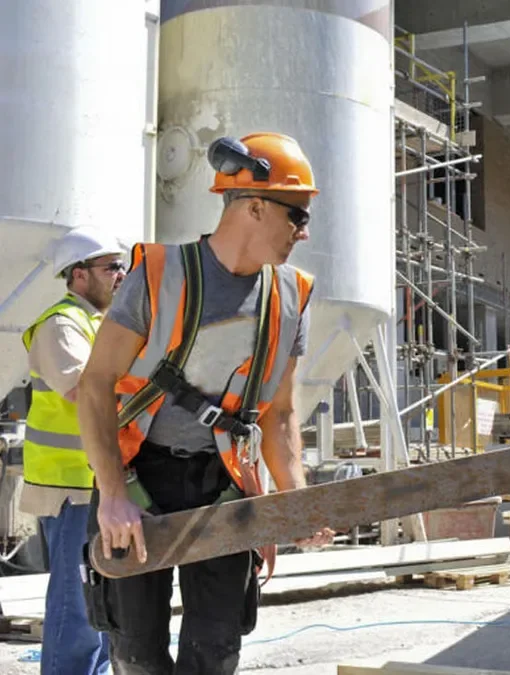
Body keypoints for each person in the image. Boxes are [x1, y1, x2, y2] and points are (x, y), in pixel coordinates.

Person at [75, 132, 335, 674]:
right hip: (142, 480)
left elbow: (280, 413)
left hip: (223, 484)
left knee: (214, 654)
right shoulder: (156, 274)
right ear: (255, 206)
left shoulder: (292, 295)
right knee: (137, 653)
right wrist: (113, 495)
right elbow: (97, 383)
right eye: (297, 216)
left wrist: (295, 502)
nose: (304, 233)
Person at [20, 226, 127, 674]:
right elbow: (86, 392)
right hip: (71, 489)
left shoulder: (104, 324)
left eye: (123, 266)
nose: (121, 275)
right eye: (110, 268)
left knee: (103, 606)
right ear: (79, 276)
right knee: (77, 605)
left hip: (100, 485)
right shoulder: (61, 324)